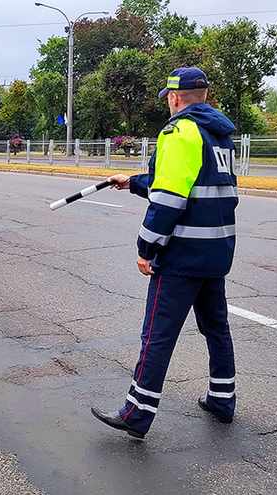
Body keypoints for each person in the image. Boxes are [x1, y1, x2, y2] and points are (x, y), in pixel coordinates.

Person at [91, 67, 240, 439]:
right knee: (216, 328)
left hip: (181, 255)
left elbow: (170, 200)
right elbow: (190, 184)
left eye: (168, 99)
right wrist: (133, 183)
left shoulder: (177, 132)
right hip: (216, 252)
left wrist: (146, 247)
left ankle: (136, 413)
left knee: (157, 334)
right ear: (204, 96)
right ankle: (223, 399)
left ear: (175, 98)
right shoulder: (218, 134)